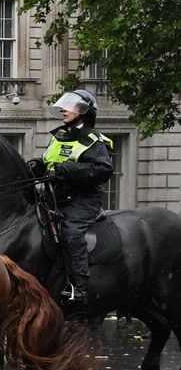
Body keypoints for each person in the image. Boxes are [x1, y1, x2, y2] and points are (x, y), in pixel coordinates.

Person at [32, 88, 113, 320]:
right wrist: (37, 167)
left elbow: (103, 170)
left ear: (84, 111)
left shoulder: (94, 141)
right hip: (55, 199)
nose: (64, 110)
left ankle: (79, 287)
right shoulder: (59, 136)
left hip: (82, 201)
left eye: (70, 106)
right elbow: (49, 162)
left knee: (71, 233)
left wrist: (67, 170)